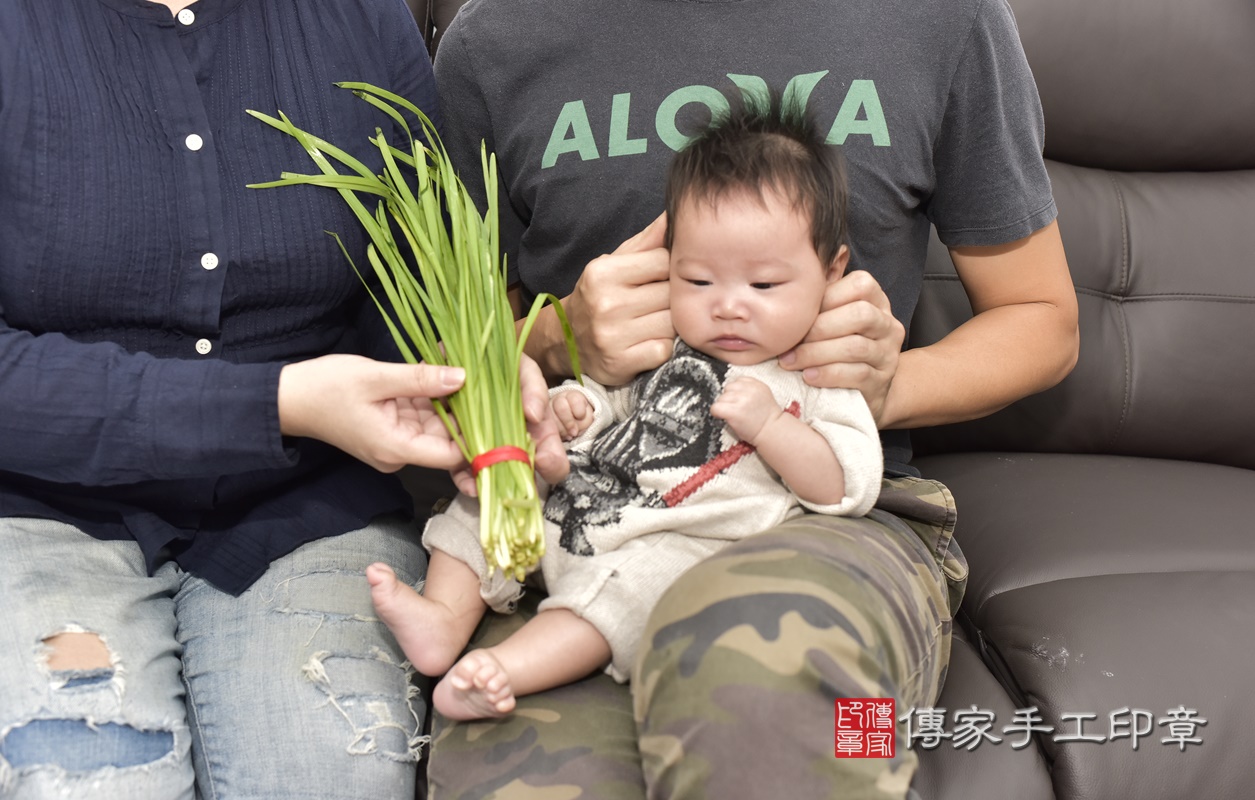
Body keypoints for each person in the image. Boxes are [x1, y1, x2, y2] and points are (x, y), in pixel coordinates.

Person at [421, 0, 1080, 797]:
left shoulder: (940, 18)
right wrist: (553, 339)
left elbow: (1042, 320)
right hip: (590, 516)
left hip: (826, 519)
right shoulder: (496, 40)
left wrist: (883, 386)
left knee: (756, 684)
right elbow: (437, 343)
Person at [0, 1, 565, 798]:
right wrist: (276, 402)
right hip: (38, 506)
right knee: (82, 779)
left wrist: (469, 384)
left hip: (300, 510)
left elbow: (417, 287)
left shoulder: (357, 18)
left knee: (331, 773)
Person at [368, 96, 885, 721]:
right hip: (582, 498)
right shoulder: (662, 341)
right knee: (492, 483)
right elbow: (608, 396)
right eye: (698, 280)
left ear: (832, 272)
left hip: (676, 541)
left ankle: (505, 668)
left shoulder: (818, 376)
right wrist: (573, 408)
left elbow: (843, 486)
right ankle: (444, 618)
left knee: (637, 592)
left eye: (765, 286)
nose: (728, 306)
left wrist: (773, 427)